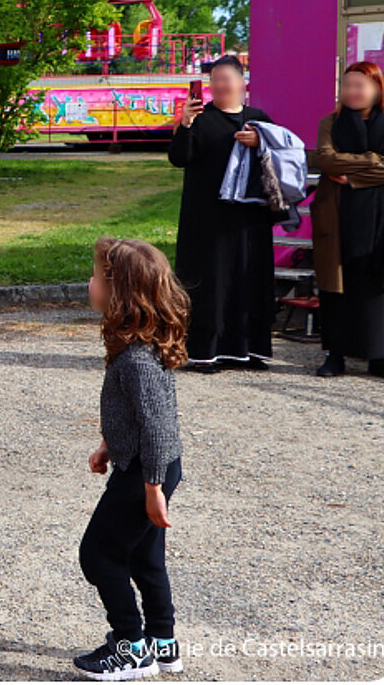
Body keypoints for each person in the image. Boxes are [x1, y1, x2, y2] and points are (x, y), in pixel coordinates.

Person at [74, 238, 187, 681]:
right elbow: (142, 418)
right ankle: (163, 644)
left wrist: (153, 489)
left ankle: (129, 646)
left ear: (121, 294)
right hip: (145, 463)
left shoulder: (137, 359)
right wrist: (109, 446)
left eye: (99, 278)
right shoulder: (138, 346)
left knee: (98, 555)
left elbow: (158, 429)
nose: (90, 283)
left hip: (147, 471)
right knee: (145, 559)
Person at [168, 54, 275, 372]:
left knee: (248, 279)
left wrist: (262, 141)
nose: (220, 85)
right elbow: (179, 158)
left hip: (248, 220)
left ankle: (249, 350)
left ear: (243, 83)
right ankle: (205, 351)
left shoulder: (260, 119)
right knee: (210, 283)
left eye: (226, 79)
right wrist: (184, 124)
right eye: (215, 80)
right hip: (207, 218)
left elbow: (282, 158)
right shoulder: (200, 118)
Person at [312, 61, 384, 380]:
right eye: (347, 85)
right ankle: (335, 354)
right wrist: (371, 160)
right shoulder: (331, 122)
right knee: (338, 282)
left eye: (359, 85)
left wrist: (354, 177)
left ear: (377, 89)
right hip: (338, 212)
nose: (352, 92)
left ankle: (379, 356)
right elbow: (325, 159)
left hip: (381, 214)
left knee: (378, 279)